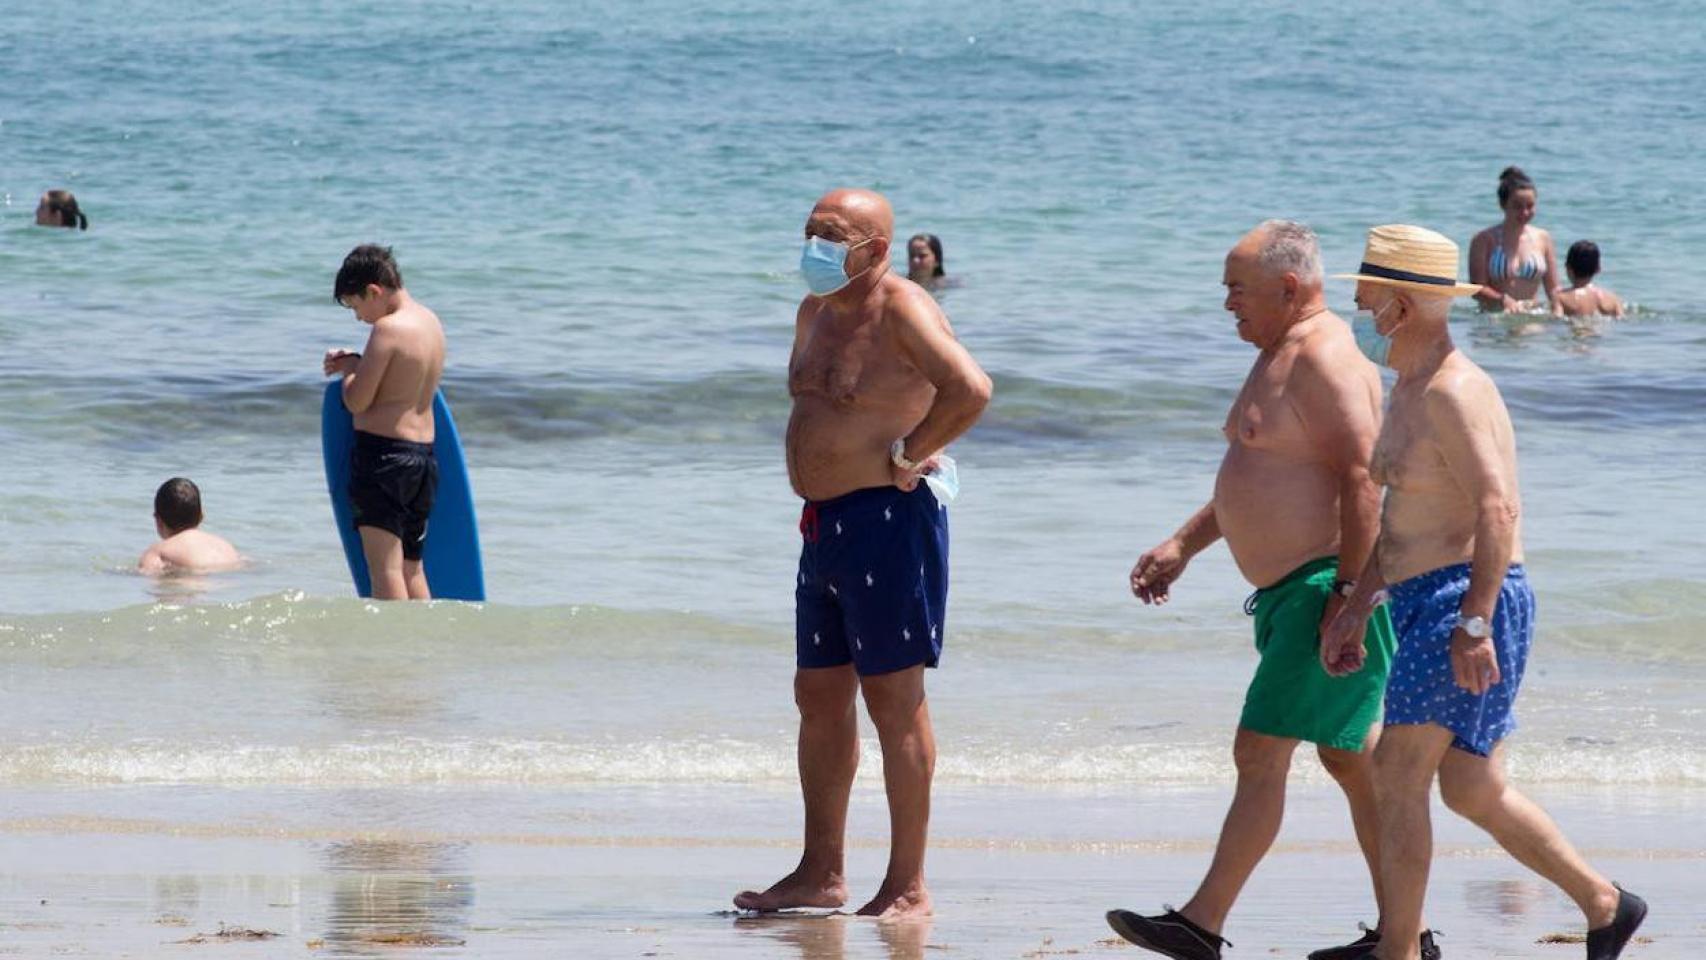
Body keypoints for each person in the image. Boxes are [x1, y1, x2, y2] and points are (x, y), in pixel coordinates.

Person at [1321, 224, 1648, 960]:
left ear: (1399, 306)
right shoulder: (1406, 388)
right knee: (1469, 787)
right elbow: (1403, 522)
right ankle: (1605, 904)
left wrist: (1474, 621)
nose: (1358, 308)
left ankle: (1397, 951)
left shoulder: (1454, 391)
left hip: (1466, 596)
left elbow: (1497, 509)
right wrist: (1357, 605)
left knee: (1397, 774)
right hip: (1422, 596)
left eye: (1366, 294)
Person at [1106, 221, 1430, 960]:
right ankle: (1405, 938)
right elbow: (1267, 476)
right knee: (1351, 759)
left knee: (1260, 751)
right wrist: (1183, 543)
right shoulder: (1279, 354)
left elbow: (1363, 482)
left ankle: (1200, 923)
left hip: (1326, 586)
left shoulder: (1327, 360)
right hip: (1297, 593)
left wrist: (1349, 600)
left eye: (1236, 290)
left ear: (1289, 288)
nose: (1227, 305)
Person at [734, 189, 992, 920]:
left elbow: (971, 388)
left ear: (876, 250)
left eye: (832, 235)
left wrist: (915, 452)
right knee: (817, 696)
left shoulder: (903, 309)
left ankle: (907, 884)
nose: (814, 244)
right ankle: (821, 873)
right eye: (810, 230)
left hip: (889, 522)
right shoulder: (815, 312)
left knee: (894, 701)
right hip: (823, 525)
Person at [322, 244, 446, 601]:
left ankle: (393, 655)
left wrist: (349, 370)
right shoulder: (430, 322)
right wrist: (361, 364)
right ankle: (422, 643)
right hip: (423, 461)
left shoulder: (388, 330)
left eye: (357, 306)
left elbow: (357, 399)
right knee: (412, 569)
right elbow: (399, 386)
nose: (360, 318)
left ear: (374, 291)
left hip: (384, 460)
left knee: (386, 571)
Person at [1468, 167, 1561, 316]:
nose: (1524, 212)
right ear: (1503, 205)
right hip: (1494, 318)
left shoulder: (1543, 238)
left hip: (1532, 316)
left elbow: (1553, 289)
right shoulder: (1483, 240)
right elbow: (1476, 289)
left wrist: (1559, 312)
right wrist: (1502, 299)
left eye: (1530, 206)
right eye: (1517, 206)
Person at [138, 478, 242, 574]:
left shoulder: (159, 552)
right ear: (201, 516)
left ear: (158, 520)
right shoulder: (226, 547)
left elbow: (146, 576)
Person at [1557, 241, 1625, 319]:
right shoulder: (1614, 299)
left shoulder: (1561, 298)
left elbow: (1557, 320)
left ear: (1568, 268)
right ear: (1598, 269)